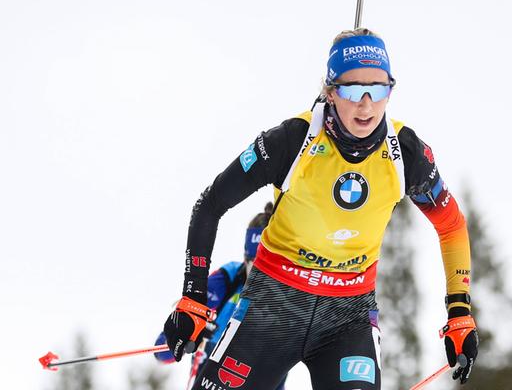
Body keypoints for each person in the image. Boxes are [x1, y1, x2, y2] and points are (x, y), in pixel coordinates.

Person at [163, 28, 478, 390]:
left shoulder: (405, 154)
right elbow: (210, 204)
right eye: (352, 90)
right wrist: (193, 298)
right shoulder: (291, 141)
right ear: (330, 91)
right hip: (273, 305)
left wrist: (459, 312)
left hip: (347, 315)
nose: (366, 105)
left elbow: (451, 225)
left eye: (378, 90)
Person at [156, 204, 287, 390]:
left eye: (270, 267)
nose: (261, 275)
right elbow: (162, 352)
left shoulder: (291, 295)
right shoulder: (225, 281)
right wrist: (188, 335)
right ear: (246, 259)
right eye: (256, 264)